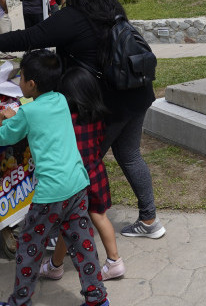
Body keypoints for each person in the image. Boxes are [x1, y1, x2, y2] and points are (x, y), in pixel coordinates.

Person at [0, 0, 165, 241]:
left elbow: (30, 37)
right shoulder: (112, 10)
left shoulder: (74, 17)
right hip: (137, 92)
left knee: (80, 164)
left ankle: (58, 230)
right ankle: (149, 219)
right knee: (129, 154)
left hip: (108, 102)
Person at [0, 51, 109, 306]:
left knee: (29, 247)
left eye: (21, 77)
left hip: (50, 194)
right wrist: (17, 116)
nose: (19, 82)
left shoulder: (29, 114)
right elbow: (34, 119)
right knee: (83, 244)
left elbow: (5, 136)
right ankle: (97, 298)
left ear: (31, 84)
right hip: (77, 185)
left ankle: (20, 301)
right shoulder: (61, 101)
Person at [40, 59, 125, 282]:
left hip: (74, 179)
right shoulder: (97, 116)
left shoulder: (66, 120)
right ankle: (114, 261)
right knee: (100, 216)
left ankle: (56, 265)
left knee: (66, 223)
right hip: (96, 173)